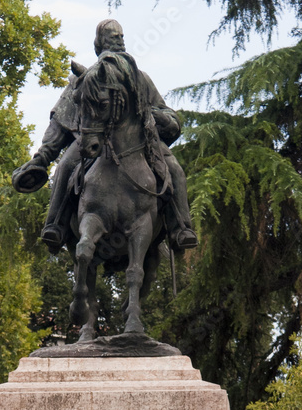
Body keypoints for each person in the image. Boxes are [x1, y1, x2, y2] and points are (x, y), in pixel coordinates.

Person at [12, 19, 198, 255]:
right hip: (91, 139)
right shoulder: (83, 79)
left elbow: (167, 114)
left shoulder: (140, 79)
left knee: (174, 168)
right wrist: (42, 157)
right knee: (65, 166)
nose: (118, 40)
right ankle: (55, 225)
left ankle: (181, 227)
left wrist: (155, 116)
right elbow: (60, 121)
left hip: (141, 141)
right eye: (112, 36)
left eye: (121, 36)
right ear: (99, 44)